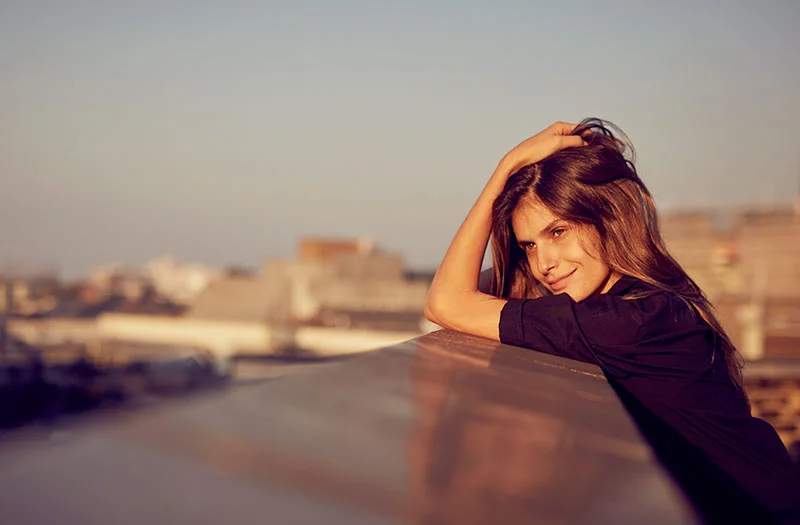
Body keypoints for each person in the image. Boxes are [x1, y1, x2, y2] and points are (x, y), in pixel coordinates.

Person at [424, 119, 800, 524]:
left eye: (559, 231)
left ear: (609, 217)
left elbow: (446, 302)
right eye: (529, 245)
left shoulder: (630, 322)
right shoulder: (647, 300)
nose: (544, 263)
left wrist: (504, 168)